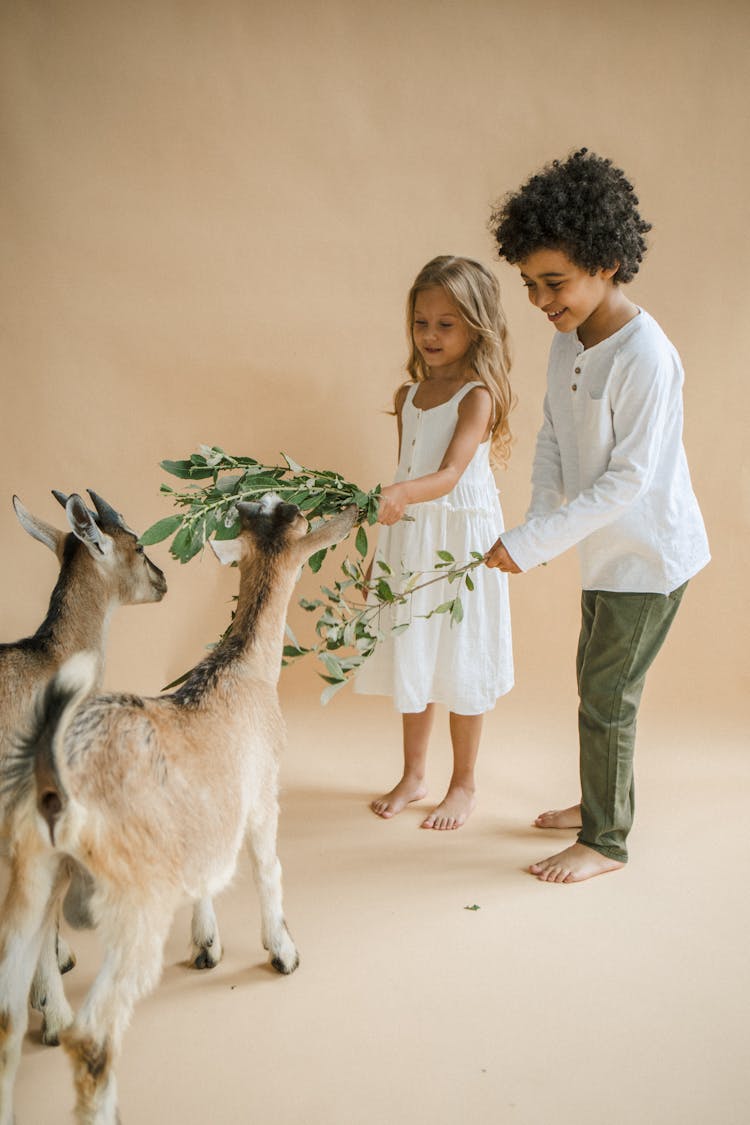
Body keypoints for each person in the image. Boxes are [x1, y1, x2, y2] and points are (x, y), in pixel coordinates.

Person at [485, 149, 710, 881]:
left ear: (608, 261)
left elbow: (629, 480)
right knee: (595, 684)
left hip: (648, 556)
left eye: (555, 282)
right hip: (603, 552)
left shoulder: (646, 355)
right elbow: (554, 436)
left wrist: (537, 538)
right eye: (530, 285)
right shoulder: (564, 344)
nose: (542, 300)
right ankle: (597, 801)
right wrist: (536, 526)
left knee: (608, 696)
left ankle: (605, 841)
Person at [355, 255, 515, 830]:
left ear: (476, 325)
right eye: (422, 323)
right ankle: (414, 774)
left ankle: (464, 783)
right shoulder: (408, 396)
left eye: (446, 324)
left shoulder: (477, 395)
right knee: (413, 652)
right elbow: (408, 466)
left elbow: (447, 475)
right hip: (414, 537)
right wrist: (382, 548)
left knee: (462, 657)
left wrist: (398, 492)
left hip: (460, 545)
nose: (430, 335)